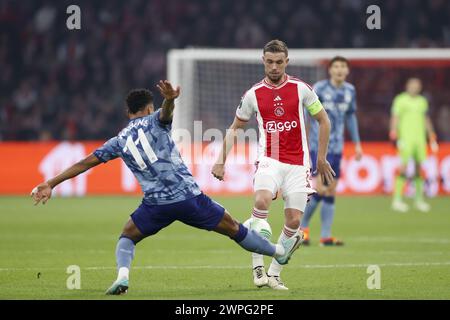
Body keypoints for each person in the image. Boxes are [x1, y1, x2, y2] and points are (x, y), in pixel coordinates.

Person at [30, 80, 302, 295]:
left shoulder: (118, 141)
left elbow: (85, 163)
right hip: (189, 199)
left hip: (155, 205)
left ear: (128, 113)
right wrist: (170, 98)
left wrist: (51, 182)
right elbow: (167, 113)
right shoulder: (156, 121)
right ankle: (279, 251)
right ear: (149, 109)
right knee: (234, 228)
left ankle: (123, 276)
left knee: (127, 236)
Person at [211, 40, 334, 290]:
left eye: (279, 62)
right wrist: (220, 161)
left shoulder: (302, 89)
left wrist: (321, 157)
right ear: (263, 61)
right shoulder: (253, 94)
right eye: (270, 62)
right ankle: (257, 265)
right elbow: (235, 128)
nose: (274, 67)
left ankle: (274, 273)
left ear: (286, 61)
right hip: (269, 159)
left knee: (294, 221)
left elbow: (323, 120)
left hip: (299, 164)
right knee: (261, 201)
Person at [300, 56, 363, 246]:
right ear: (330, 70)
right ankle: (302, 228)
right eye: (336, 66)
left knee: (330, 190)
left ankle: (325, 235)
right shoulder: (319, 88)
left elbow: (351, 117)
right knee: (320, 187)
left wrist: (357, 143)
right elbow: (305, 113)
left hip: (337, 147)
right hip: (317, 146)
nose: (339, 69)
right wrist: (302, 134)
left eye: (343, 66)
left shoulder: (350, 91)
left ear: (347, 70)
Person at [389, 77, 438, 213]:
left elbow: (426, 118)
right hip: (406, 138)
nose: (414, 87)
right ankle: (397, 199)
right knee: (403, 168)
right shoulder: (400, 100)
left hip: (419, 139)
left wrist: (431, 134)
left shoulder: (422, 101)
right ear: (407, 86)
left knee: (418, 168)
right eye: (412, 85)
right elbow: (395, 117)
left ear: (420, 87)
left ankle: (418, 200)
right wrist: (393, 132)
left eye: (417, 85)